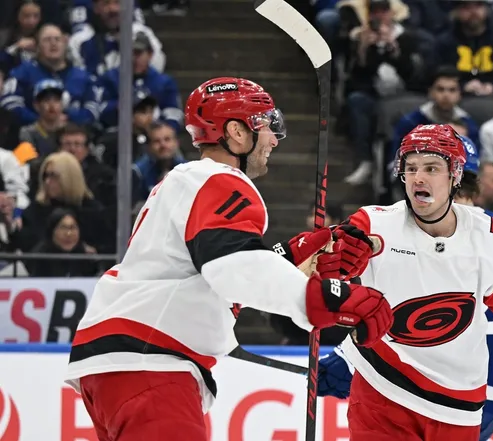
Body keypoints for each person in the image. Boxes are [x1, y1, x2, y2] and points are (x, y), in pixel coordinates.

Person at [62, 77, 394, 441]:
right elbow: (232, 268)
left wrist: (285, 257)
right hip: (150, 365)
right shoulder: (220, 181)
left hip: (124, 366)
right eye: (267, 125)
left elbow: (206, 270)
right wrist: (327, 297)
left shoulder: (187, 181)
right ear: (236, 131)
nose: (274, 139)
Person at [318, 124, 493, 441]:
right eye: (411, 168)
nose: (418, 177)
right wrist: (330, 263)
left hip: (457, 406)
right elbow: (320, 268)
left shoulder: (492, 240)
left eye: (431, 168)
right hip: (382, 389)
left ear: (455, 175)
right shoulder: (372, 224)